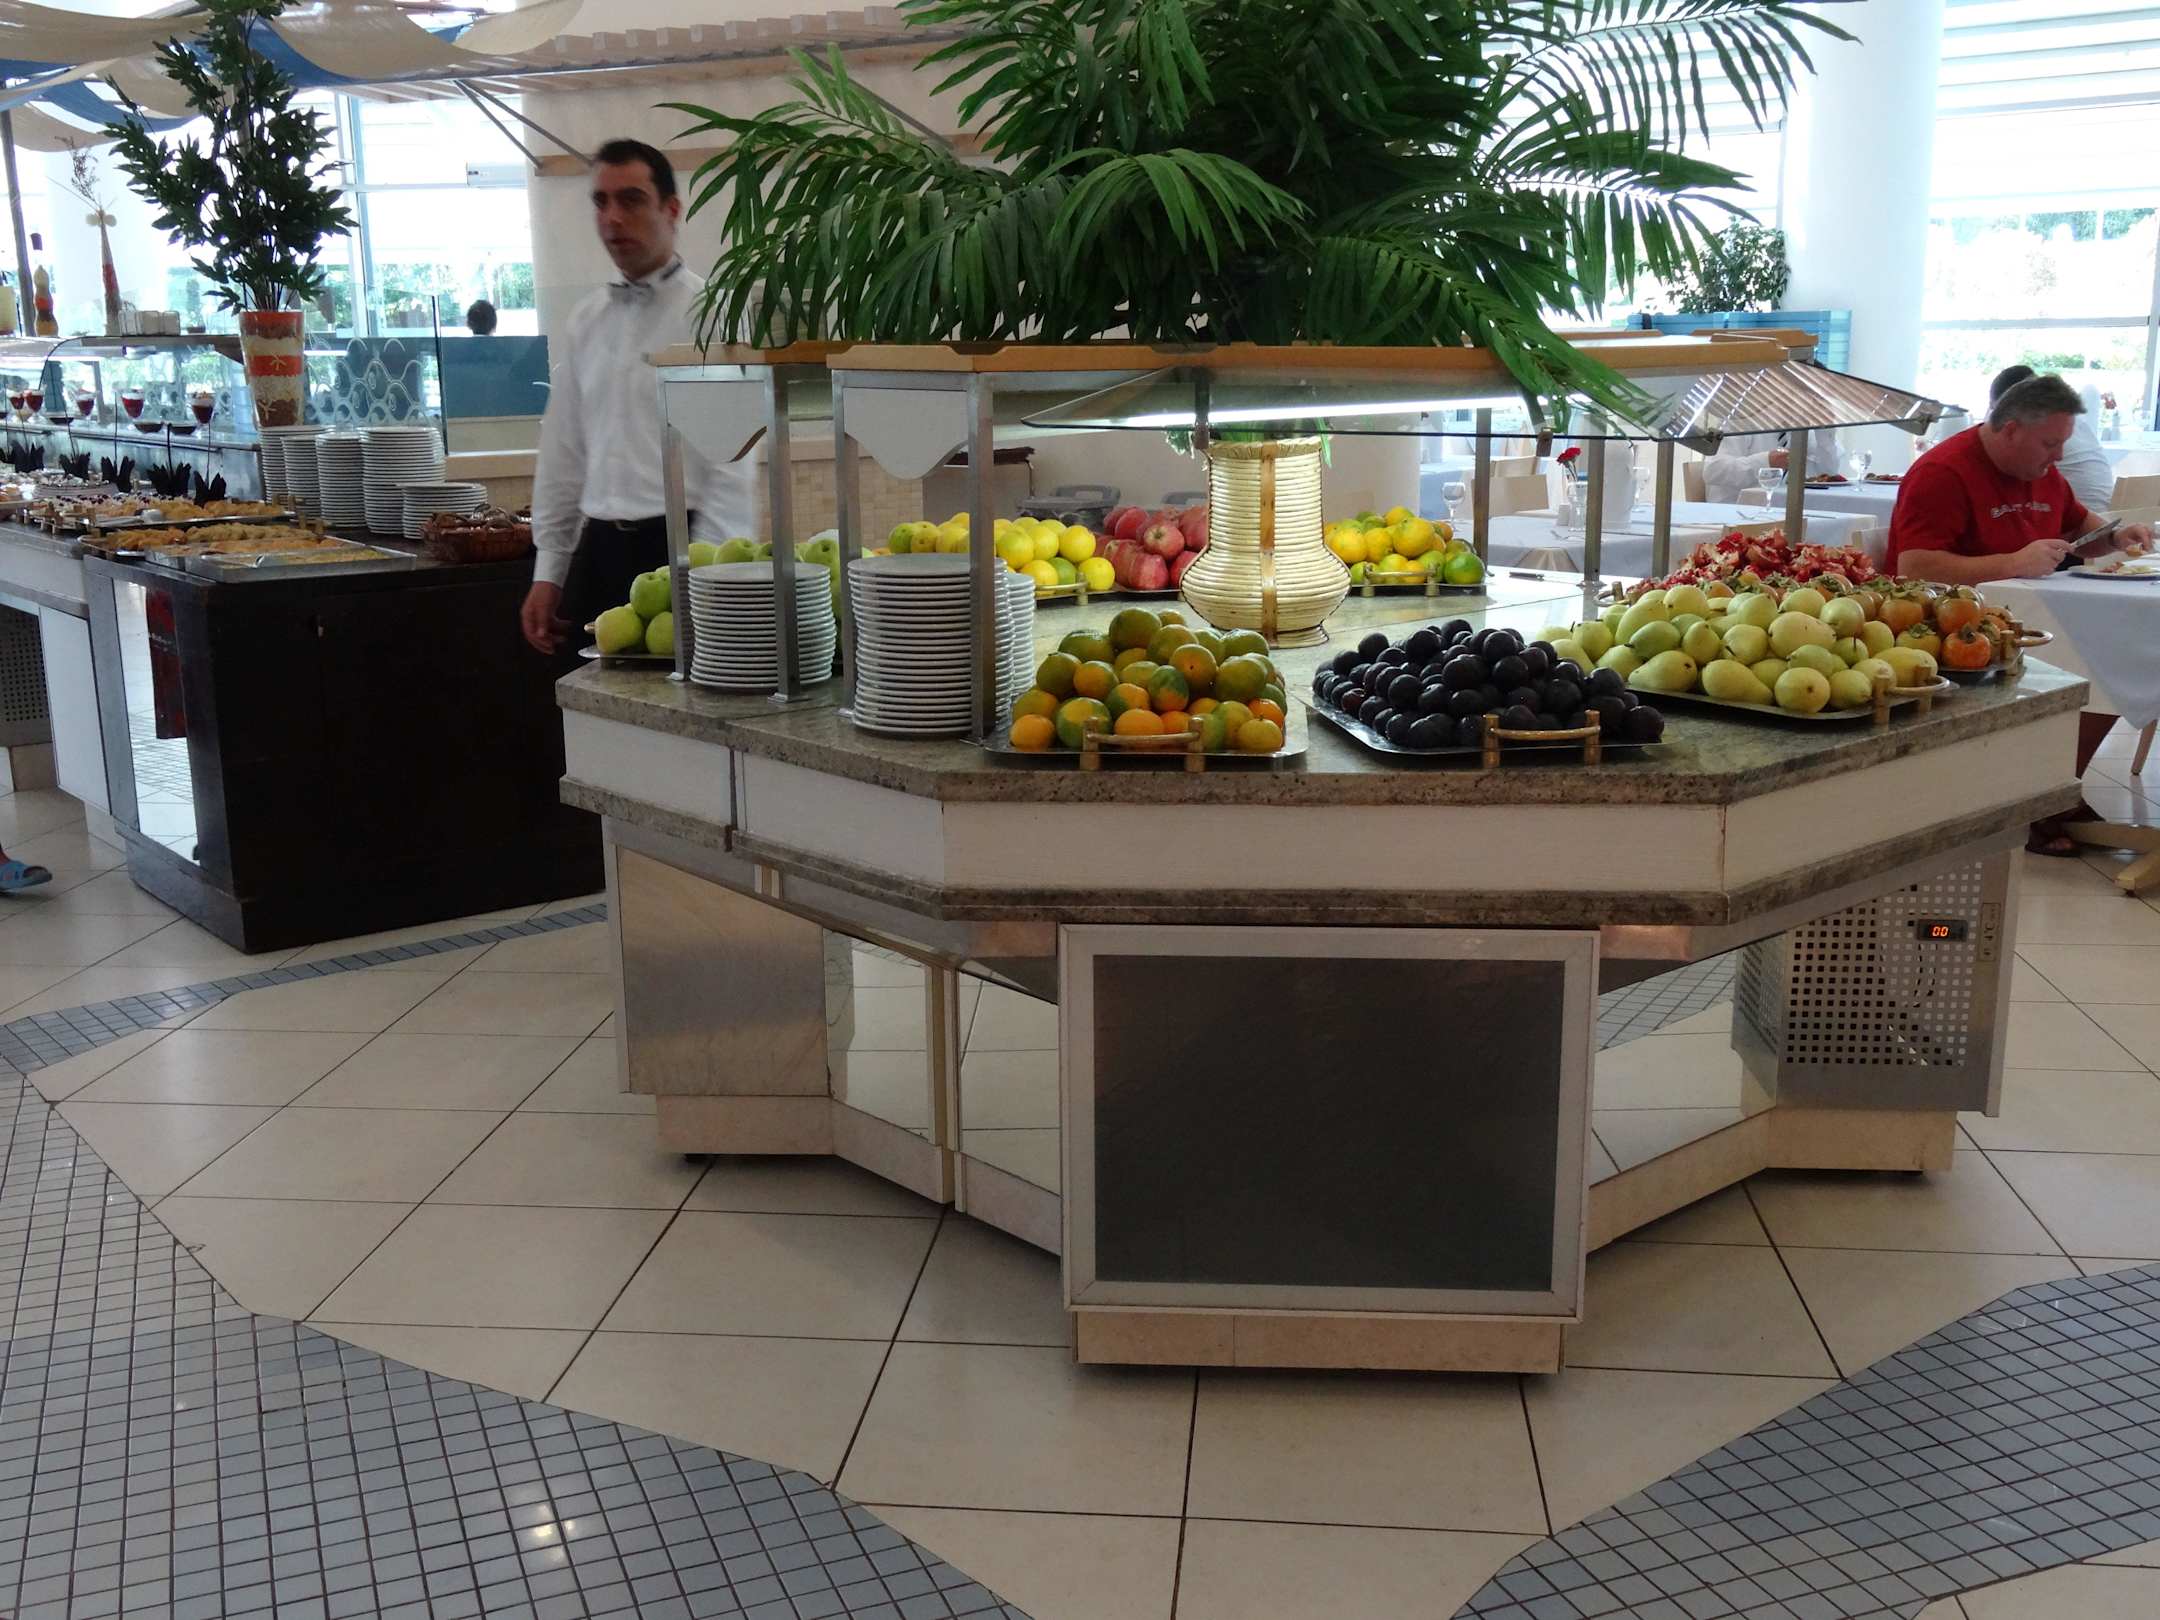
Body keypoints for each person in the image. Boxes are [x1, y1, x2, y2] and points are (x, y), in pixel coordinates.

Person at [1889, 372, 2155, 855]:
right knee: (2097, 661)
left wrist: (2115, 536)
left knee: (2111, 661)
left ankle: (2051, 789)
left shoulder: (2042, 473)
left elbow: (2080, 528)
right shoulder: (1944, 472)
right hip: (1953, 628)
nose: (2059, 456)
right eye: (2050, 444)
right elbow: (1914, 568)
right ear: (2010, 429)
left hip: (2031, 618)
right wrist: (2012, 563)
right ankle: (2038, 794)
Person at [520, 138, 753, 656]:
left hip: (680, 549)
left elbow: (733, 464)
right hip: (598, 551)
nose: (612, 218)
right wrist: (549, 569)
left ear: (671, 209)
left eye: (630, 200)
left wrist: (708, 575)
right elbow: (563, 452)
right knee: (579, 704)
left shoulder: (712, 315)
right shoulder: (585, 321)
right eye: (600, 202)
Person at [1987, 364, 2111, 510]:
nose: (2059, 456)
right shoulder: (2066, 420)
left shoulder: (2042, 428)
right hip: (2109, 509)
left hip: (2087, 513)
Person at [1701, 426, 1842, 505]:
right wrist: (1766, 462)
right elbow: (1713, 471)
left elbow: (1828, 473)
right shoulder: (1741, 421)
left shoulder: (1806, 429)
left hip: (1786, 512)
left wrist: (1825, 432)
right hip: (1736, 512)